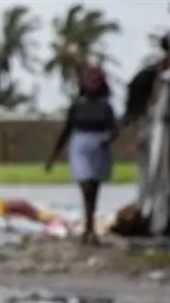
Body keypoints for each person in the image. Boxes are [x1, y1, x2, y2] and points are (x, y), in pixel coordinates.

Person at [45, 65, 118, 245]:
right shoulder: (77, 107)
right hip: (80, 146)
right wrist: (53, 157)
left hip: (99, 147)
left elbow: (115, 129)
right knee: (85, 184)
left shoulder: (105, 107)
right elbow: (66, 131)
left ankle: (90, 227)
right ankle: (88, 227)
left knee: (94, 187)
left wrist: (107, 138)